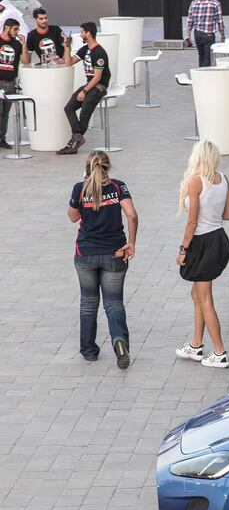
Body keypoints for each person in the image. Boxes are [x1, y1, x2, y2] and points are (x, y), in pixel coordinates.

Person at [67, 149, 137, 367]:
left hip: (86, 254)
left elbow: (73, 217)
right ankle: (119, 341)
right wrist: (132, 242)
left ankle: (89, 350)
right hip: (115, 253)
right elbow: (132, 214)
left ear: (87, 168)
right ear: (108, 167)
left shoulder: (80, 189)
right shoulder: (118, 186)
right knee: (114, 302)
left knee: (88, 302)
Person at [175, 140, 229, 369]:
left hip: (202, 242)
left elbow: (192, 221)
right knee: (197, 294)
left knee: (205, 298)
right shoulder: (223, 179)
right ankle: (196, 345)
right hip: (219, 238)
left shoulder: (195, 181)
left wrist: (183, 250)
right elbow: (228, 214)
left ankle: (219, 353)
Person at [58, 21, 111, 155]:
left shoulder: (99, 52)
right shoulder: (85, 49)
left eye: (82, 32)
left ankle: (74, 141)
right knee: (68, 108)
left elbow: (98, 77)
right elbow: (68, 63)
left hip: (98, 86)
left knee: (84, 113)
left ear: (88, 33)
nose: (80, 34)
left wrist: (84, 91)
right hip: (90, 84)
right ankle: (77, 138)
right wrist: (67, 47)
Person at [184, 0, 225, 68]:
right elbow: (220, 22)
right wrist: (222, 35)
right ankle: (203, 77)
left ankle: (199, 77)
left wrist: (187, 36)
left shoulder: (193, 3)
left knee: (201, 57)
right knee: (207, 59)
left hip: (197, 34)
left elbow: (189, 21)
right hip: (209, 35)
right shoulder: (215, 4)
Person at [0, 19, 22, 150]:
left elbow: (25, 60)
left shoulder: (17, 44)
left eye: (18, 29)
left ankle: (2, 138)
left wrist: (24, 45)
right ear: (7, 28)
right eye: (15, 29)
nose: (17, 32)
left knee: (5, 113)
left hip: (11, 82)